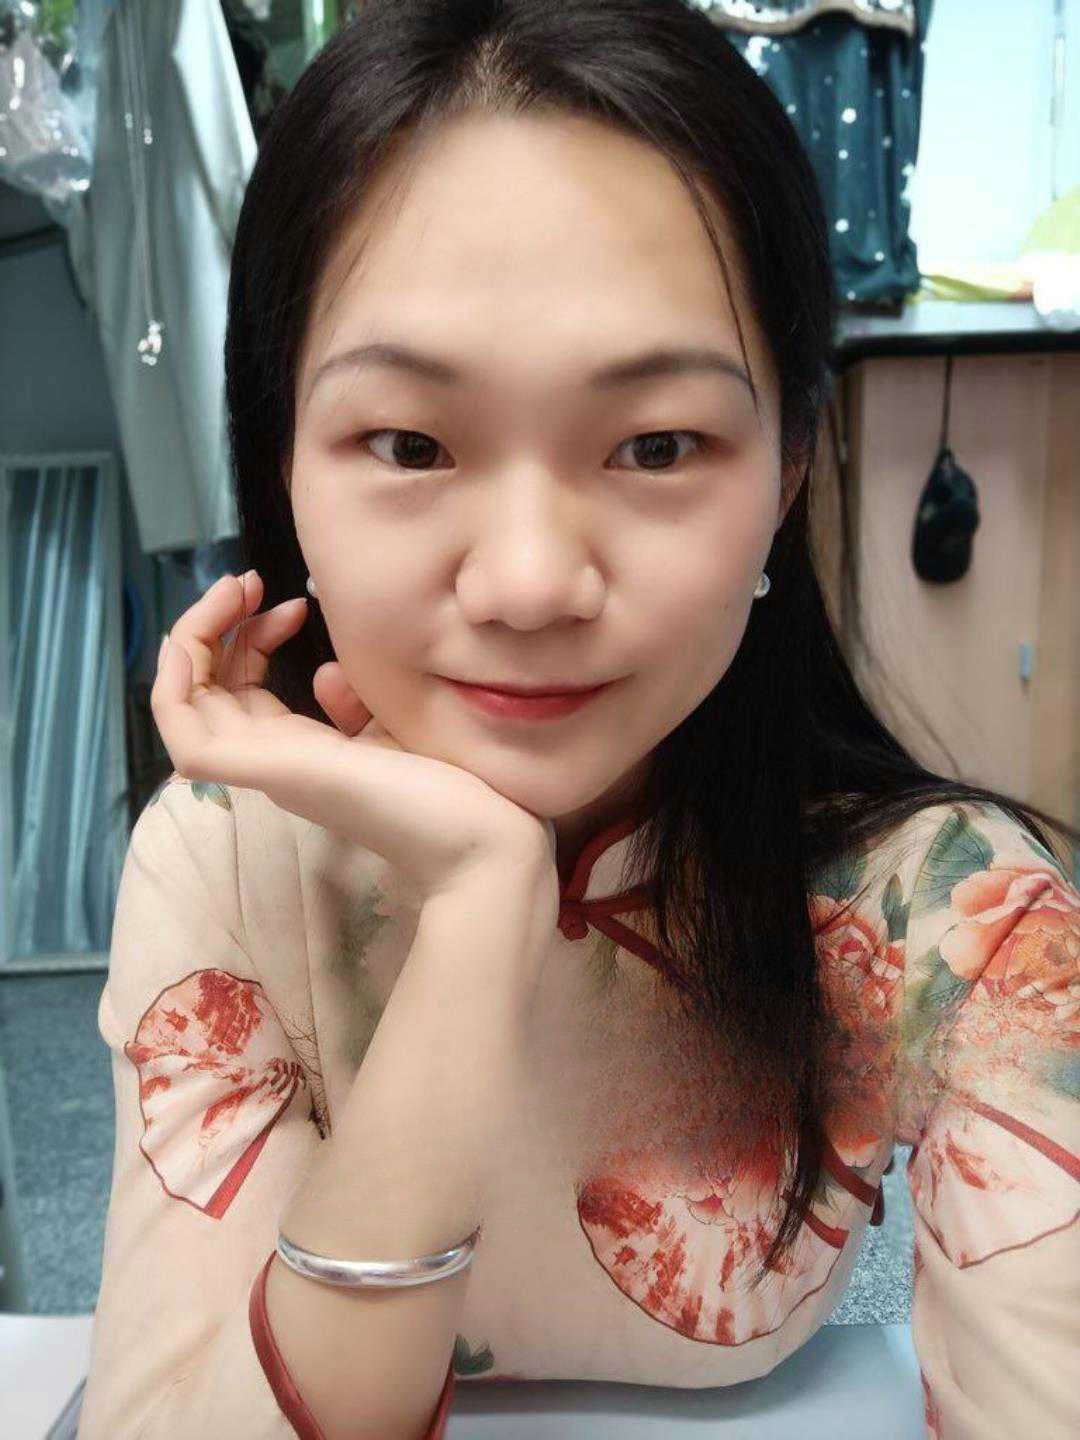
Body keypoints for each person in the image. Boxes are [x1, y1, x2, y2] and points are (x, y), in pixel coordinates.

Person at [77, 2, 1080, 1437]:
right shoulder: (227, 862)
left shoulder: (949, 917)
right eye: (411, 443)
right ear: (282, 459)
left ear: (790, 468)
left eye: (657, 445)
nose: (532, 582)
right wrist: (478, 909)